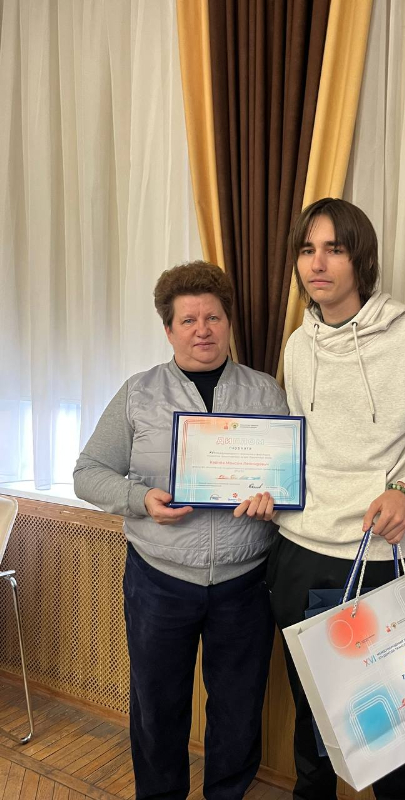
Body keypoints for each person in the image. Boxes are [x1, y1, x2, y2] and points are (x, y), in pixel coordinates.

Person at [240, 198, 405, 800]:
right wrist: (270, 486)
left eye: (334, 249)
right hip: (296, 554)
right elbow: (301, 445)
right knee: (314, 732)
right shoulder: (298, 346)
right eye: (307, 250)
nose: (317, 263)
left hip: (376, 561)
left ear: (362, 259)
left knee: (395, 737)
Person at [73, 261, 288, 800]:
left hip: (246, 583)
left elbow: (291, 480)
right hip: (159, 580)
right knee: (157, 707)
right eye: (188, 320)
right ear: (168, 330)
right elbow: (88, 473)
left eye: (213, 317)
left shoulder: (267, 393)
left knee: (239, 709)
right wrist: (140, 500)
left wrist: (276, 503)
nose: (202, 330)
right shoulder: (138, 393)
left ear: (228, 322)